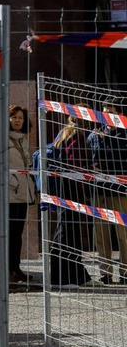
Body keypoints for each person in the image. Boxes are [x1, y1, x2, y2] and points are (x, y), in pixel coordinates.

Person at [48, 116, 93, 288]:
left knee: (69, 230)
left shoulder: (63, 134)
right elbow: (76, 165)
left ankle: (79, 275)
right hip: (71, 188)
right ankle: (63, 278)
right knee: (68, 231)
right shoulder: (77, 136)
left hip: (62, 186)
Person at [87, 101, 127, 284]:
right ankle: (105, 272)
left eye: (111, 112)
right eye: (104, 112)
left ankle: (125, 272)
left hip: (120, 192)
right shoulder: (94, 136)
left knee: (123, 235)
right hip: (99, 191)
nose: (107, 116)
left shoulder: (124, 134)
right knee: (101, 235)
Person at [6, 106, 35, 285]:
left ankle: (16, 269)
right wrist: (14, 183)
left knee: (18, 234)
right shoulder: (2, 139)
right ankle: (7, 270)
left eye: (21, 118)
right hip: (9, 194)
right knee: (8, 234)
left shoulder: (24, 139)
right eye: (14, 117)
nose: (18, 120)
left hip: (23, 194)